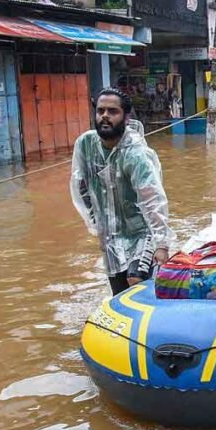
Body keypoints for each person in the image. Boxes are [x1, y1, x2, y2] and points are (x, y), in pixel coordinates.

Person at [70, 87, 175, 296]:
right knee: (119, 294)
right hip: (109, 235)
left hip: (141, 233)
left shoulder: (136, 154)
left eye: (112, 111)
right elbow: (80, 185)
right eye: (100, 111)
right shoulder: (85, 144)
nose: (105, 116)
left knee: (136, 280)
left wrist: (162, 244)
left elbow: (152, 199)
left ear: (126, 117)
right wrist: (95, 221)